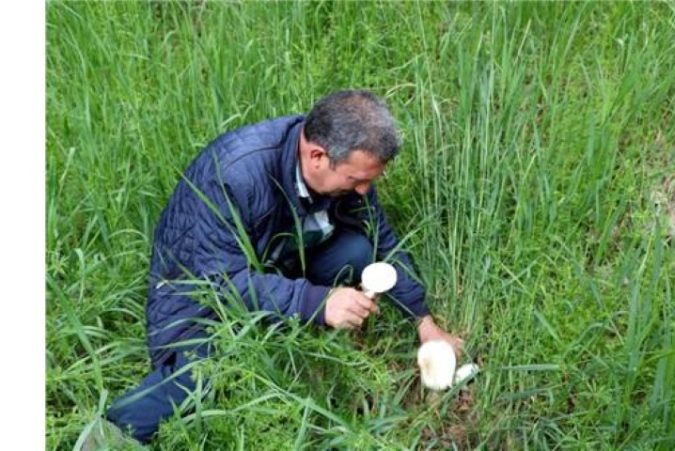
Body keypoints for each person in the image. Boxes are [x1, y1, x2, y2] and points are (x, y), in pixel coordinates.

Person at [86, 90, 462, 446]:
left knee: (359, 251)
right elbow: (221, 281)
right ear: (317, 157)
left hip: (277, 259)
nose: (364, 191)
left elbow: (383, 240)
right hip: (199, 286)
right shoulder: (233, 176)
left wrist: (423, 322)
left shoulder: (346, 167)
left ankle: (298, 323)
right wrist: (316, 302)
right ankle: (108, 435)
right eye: (357, 180)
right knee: (205, 375)